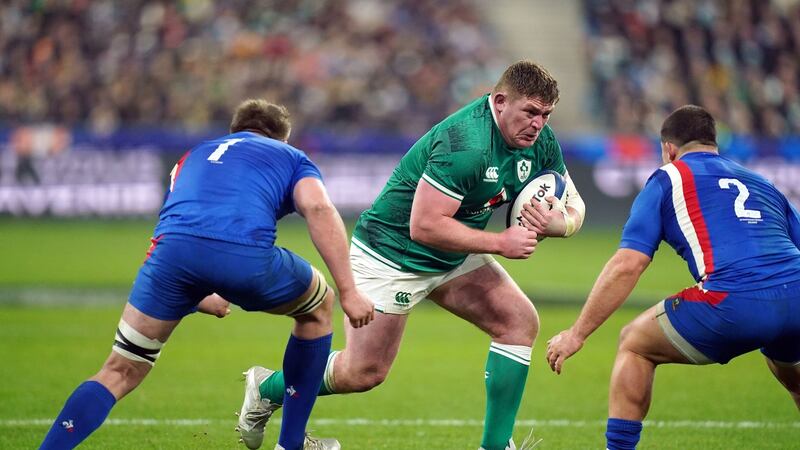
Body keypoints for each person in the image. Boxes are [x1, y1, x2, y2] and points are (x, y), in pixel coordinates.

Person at [238, 61, 587, 450]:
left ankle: (495, 446)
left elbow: (574, 204)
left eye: (545, 115)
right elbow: (424, 226)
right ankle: (267, 388)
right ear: (501, 101)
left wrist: (559, 224)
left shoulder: (541, 140)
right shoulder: (466, 145)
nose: (538, 124)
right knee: (363, 372)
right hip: (393, 253)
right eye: (531, 112)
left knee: (519, 322)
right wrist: (500, 243)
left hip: (453, 252)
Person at [39, 99, 375, 450]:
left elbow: (176, 223)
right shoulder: (290, 157)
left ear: (234, 131)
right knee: (319, 305)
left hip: (169, 258)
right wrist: (349, 290)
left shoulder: (192, 156)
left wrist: (198, 292)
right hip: (242, 254)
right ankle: (290, 444)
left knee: (119, 370)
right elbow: (318, 206)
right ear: (282, 138)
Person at [545, 105, 800, 450]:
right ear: (714, 144)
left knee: (635, 343)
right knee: (790, 373)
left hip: (733, 303)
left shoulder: (668, 178)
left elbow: (628, 264)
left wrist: (577, 334)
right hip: (795, 297)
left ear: (668, 149)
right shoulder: (761, 182)